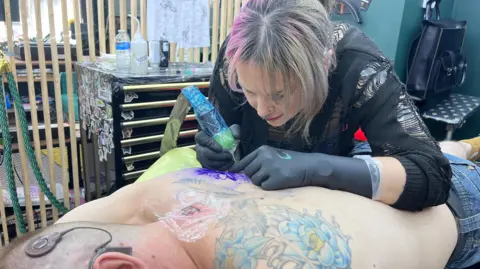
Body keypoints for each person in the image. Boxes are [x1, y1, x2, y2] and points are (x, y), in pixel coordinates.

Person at [0, 138, 479, 269]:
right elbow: (36, 249)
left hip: (453, 208)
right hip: (361, 173)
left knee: (452, 160)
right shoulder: (147, 202)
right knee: (447, 150)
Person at [194, 0, 452, 212]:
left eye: (280, 95)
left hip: (331, 193)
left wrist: (317, 168)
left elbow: (432, 174)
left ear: (325, 64)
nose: (262, 110)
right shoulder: (238, 54)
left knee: (454, 152)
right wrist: (214, 152)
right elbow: (223, 133)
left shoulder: (358, 64)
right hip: (252, 200)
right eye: (250, 92)